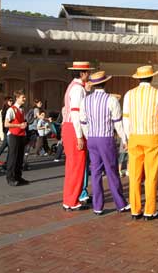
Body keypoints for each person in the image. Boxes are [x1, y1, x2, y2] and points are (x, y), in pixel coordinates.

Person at [79, 71, 130, 215]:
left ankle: (98, 206)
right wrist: (124, 138)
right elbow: (117, 123)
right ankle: (120, 204)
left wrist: (89, 135)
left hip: (92, 138)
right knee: (111, 171)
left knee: (95, 173)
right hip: (106, 138)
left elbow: (83, 121)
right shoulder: (111, 100)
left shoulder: (85, 101)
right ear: (105, 83)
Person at [123, 65, 158, 221]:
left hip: (134, 137)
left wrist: (126, 138)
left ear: (138, 78)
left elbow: (126, 119)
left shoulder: (129, 94)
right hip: (152, 137)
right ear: (152, 77)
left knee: (134, 175)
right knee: (151, 175)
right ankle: (150, 210)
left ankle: (135, 210)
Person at [62, 61, 93, 211]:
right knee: (77, 165)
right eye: (87, 72)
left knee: (72, 165)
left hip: (68, 127)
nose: (89, 75)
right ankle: (72, 200)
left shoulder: (72, 87)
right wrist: (80, 136)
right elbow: (76, 113)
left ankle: (69, 198)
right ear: (82, 74)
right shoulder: (78, 89)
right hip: (74, 128)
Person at [4, 91, 29, 187]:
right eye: (23, 97)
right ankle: (10, 178)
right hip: (13, 135)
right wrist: (19, 125)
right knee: (12, 157)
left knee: (19, 158)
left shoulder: (22, 110)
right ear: (17, 98)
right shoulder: (11, 110)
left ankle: (18, 177)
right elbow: (6, 124)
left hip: (21, 135)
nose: (24, 99)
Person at [0, 96, 13, 166]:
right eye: (10, 101)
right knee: (10, 145)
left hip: (7, 129)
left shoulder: (9, 109)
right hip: (8, 129)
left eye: (12, 100)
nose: (11, 102)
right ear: (6, 101)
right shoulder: (7, 110)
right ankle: (7, 162)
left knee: (5, 144)